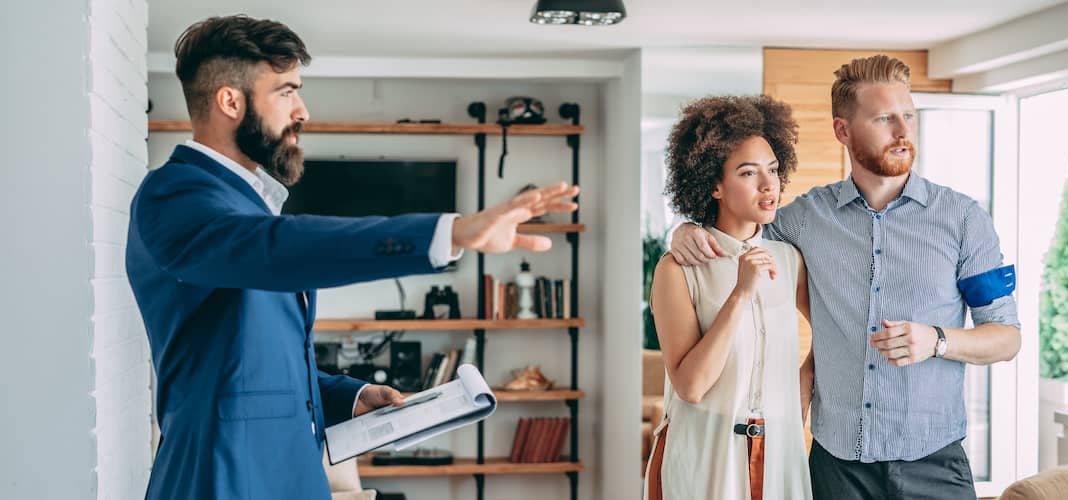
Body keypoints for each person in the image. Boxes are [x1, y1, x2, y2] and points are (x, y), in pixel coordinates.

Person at [125, 15, 579, 500]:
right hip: (219, 480)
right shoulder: (174, 196)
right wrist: (452, 231)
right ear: (230, 101)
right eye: (285, 91)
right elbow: (275, 247)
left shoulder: (246, 202)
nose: (302, 110)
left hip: (291, 479)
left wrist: (352, 395)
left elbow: (253, 371)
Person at [668, 55, 1021, 500]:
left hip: (934, 464)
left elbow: (1006, 337)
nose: (903, 131)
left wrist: (937, 340)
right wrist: (686, 229)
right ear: (843, 131)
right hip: (836, 468)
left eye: (908, 116)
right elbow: (734, 229)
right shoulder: (803, 220)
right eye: (884, 118)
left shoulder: (965, 220)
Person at [643, 95, 812, 500]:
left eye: (772, 169)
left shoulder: (791, 261)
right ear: (714, 185)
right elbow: (691, 386)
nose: (768, 184)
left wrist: (795, 410)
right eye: (748, 172)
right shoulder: (677, 269)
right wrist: (740, 293)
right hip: (704, 452)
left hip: (780, 455)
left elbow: (834, 337)